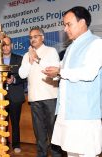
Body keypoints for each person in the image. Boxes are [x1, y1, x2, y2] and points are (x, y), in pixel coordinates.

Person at [42, 6, 102, 157]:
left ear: (82, 22)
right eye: (64, 25)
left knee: (86, 153)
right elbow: (63, 70)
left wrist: (60, 71)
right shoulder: (70, 48)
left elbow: (88, 73)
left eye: (68, 24)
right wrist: (54, 72)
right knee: (71, 153)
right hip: (66, 112)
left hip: (84, 113)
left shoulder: (96, 44)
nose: (65, 29)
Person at [19, 27, 62, 157]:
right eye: (30, 37)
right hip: (34, 98)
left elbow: (53, 71)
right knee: (39, 132)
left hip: (50, 97)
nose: (32, 39)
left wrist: (37, 59)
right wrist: (30, 61)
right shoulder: (27, 55)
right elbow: (22, 74)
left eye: (35, 36)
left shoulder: (51, 51)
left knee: (53, 132)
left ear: (42, 37)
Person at [0, 36, 25, 153]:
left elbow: (23, 77)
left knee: (15, 123)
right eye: (3, 45)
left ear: (12, 45)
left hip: (15, 96)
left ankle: (16, 145)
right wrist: (1, 80)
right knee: (2, 123)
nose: (5, 47)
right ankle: (4, 144)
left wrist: (13, 79)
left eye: (8, 44)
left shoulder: (19, 59)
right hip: (0, 97)